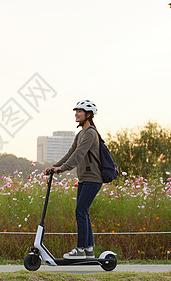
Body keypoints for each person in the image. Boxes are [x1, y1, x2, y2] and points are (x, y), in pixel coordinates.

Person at [44, 99, 102, 260]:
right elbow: (70, 153)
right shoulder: (81, 134)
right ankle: (89, 250)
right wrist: (53, 167)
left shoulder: (90, 133)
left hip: (93, 178)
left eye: (80, 111)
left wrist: (63, 169)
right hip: (85, 178)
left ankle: (81, 249)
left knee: (80, 211)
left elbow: (79, 155)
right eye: (76, 111)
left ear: (88, 115)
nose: (76, 114)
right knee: (84, 212)